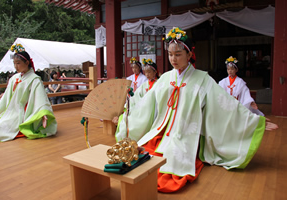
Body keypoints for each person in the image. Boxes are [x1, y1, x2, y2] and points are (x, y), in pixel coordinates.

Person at [115, 27, 278, 193]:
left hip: (187, 134)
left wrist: (254, 120)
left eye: (178, 54)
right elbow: (146, 102)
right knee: (139, 154)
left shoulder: (203, 79)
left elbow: (225, 104)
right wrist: (126, 112)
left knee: (173, 158)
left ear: (189, 54)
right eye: (170, 54)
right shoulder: (165, 78)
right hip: (162, 131)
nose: (173, 59)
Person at [0, 43, 57, 142]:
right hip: (12, 110)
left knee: (4, 128)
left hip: (25, 111)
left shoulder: (34, 79)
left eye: (18, 63)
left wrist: (43, 113)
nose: (16, 66)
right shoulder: (14, 78)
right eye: (14, 63)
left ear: (27, 62)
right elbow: (8, 95)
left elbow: (40, 98)